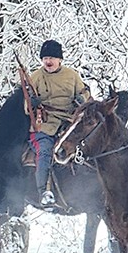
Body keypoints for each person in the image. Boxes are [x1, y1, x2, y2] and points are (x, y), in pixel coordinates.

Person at [27, 39, 91, 208]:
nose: (48, 61)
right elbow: (26, 107)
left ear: (60, 60)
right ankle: (44, 192)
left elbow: (85, 94)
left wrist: (81, 99)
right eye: (45, 58)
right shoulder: (35, 77)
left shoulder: (72, 76)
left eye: (52, 58)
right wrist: (31, 103)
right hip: (45, 124)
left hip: (69, 123)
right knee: (45, 150)